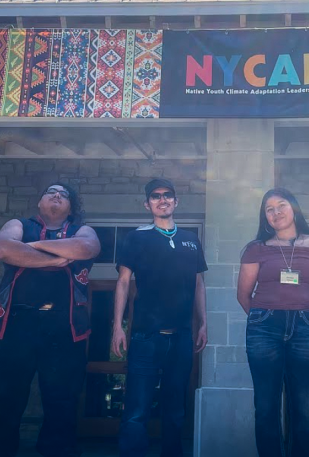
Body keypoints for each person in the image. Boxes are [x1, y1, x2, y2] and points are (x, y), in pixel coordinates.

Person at [0, 183, 101, 457]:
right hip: (15, 324)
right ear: (39, 201)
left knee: (62, 401)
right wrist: (56, 257)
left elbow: (87, 247)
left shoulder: (82, 230)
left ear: (71, 206)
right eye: (50, 192)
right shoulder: (17, 223)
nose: (57, 196)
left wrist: (31, 248)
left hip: (65, 327)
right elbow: (5, 249)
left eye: (64, 194)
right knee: (3, 398)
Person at [111, 178, 207, 457]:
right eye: (155, 196)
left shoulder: (191, 239)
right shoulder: (136, 238)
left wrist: (203, 323)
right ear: (147, 203)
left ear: (176, 202)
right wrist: (118, 326)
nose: (162, 199)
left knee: (175, 410)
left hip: (181, 338)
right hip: (145, 336)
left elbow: (199, 284)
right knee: (136, 411)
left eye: (168, 195)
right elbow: (123, 282)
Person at [237, 188, 309, 457]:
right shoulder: (256, 249)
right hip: (264, 326)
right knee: (266, 406)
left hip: (305, 324)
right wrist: (264, 318)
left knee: (302, 406)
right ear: (264, 216)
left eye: (281, 206)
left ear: (294, 209)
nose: (276, 212)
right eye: (269, 209)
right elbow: (243, 295)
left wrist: (302, 312)